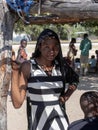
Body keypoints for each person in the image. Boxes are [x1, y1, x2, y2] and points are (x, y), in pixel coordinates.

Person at [11, 29, 79, 130]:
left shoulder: (60, 66)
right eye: (46, 46)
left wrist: (66, 96)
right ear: (39, 46)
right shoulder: (29, 66)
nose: (51, 51)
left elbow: (75, 80)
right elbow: (17, 103)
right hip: (39, 123)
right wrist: (15, 71)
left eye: (55, 46)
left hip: (60, 123)